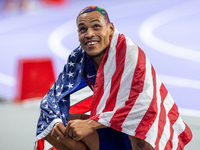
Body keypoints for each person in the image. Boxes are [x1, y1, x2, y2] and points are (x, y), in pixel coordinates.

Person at [35, 6, 192, 150]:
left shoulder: (130, 54)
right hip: (112, 123)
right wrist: (56, 122)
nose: (89, 34)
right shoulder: (79, 58)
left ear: (110, 28)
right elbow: (52, 98)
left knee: (140, 132)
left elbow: (142, 107)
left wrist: (90, 124)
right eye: (83, 29)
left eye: (96, 26)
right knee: (52, 125)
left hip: (145, 126)